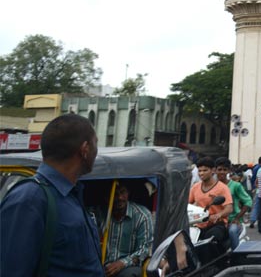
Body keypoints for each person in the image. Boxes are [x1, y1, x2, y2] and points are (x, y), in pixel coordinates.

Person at [0, 114, 104, 277]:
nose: (97, 151)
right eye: (96, 143)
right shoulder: (29, 199)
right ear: (85, 149)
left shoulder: (71, 195)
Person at [97, 182, 155, 277]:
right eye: (115, 194)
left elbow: (144, 250)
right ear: (106, 198)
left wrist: (122, 263)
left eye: (123, 192)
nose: (120, 197)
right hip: (100, 265)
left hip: (127, 267)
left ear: (128, 193)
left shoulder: (142, 216)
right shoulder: (98, 214)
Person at [188, 156, 232, 247]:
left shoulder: (222, 188)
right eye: (200, 171)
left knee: (209, 241)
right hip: (198, 224)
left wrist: (218, 215)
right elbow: (188, 204)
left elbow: (229, 207)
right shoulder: (195, 187)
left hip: (217, 224)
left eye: (205, 170)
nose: (201, 173)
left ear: (213, 171)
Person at [215, 158, 252, 249]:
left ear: (229, 171)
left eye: (225, 169)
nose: (222, 172)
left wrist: (237, 218)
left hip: (232, 221)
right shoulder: (211, 186)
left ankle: (236, 254)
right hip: (216, 221)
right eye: (219, 169)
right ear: (215, 170)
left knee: (232, 231)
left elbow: (248, 201)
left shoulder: (236, 186)